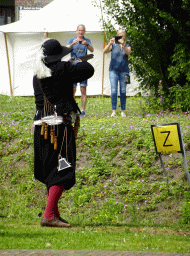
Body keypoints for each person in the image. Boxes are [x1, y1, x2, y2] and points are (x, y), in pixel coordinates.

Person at [33, 38, 94, 228]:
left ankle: (54, 214)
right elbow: (89, 69)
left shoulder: (38, 74)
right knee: (62, 169)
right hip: (59, 128)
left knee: (52, 170)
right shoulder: (61, 69)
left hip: (41, 128)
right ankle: (49, 215)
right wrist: (74, 61)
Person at [67, 24, 94, 117]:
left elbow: (92, 50)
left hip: (83, 64)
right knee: (73, 89)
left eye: (82, 30)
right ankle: (72, 108)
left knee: (83, 88)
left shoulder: (87, 40)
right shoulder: (71, 40)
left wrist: (87, 44)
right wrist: (72, 44)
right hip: (73, 64)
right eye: (79, 30)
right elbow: (66, 49)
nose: (80, 32)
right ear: (76, 31)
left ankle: (82, 110)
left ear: (84, 32)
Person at [103, 30, 131, 117]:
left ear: (125, 37)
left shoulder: (127, 45)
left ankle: (123, 111)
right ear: (117, 36)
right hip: (113, 70)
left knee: (123, 91)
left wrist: (123, 45)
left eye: (123, 36)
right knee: (114, 90)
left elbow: (128, 53)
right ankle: (114, 111)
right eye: (120, 36)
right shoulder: (114, 45)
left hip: (125, 71)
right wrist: (109, 44)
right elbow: (104, 51)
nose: (122, 37)